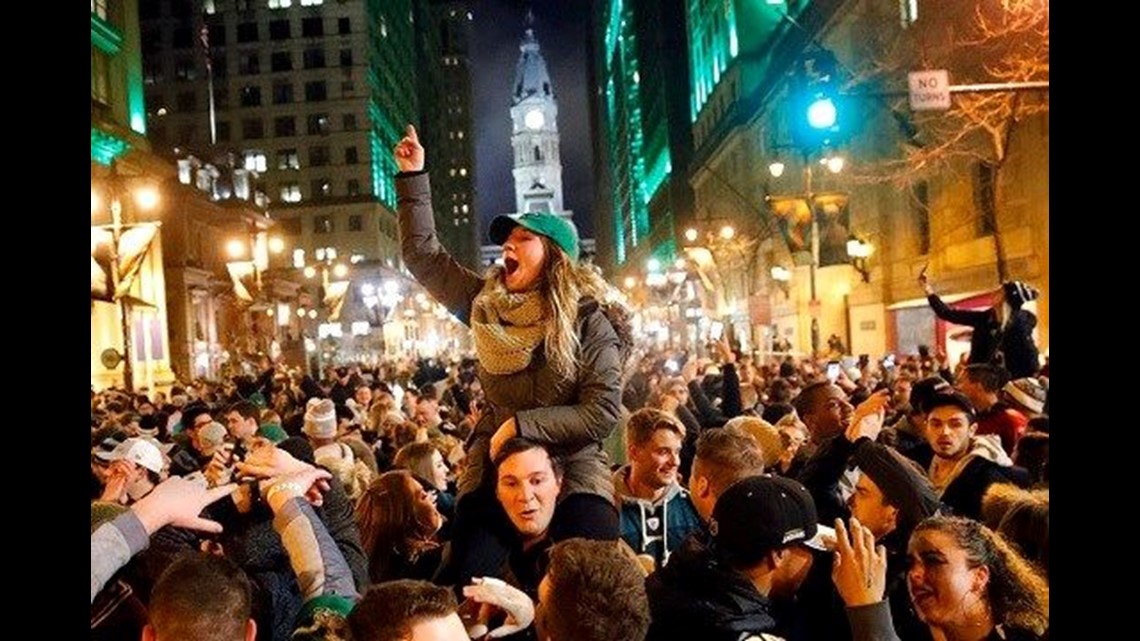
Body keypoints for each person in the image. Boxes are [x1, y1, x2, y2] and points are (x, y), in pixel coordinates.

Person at [395, 124, 628, 586]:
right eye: (508, 238)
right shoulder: (485, 304)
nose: (509, 246)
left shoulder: (588, 320)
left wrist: (522, 426)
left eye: (524, 239)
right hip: (497, 464)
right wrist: (412, 177)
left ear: (556, 255)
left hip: (573, 462)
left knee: (591, 574)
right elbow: (425, 257)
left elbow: (601, 412)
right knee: (467, 570)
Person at [832, 515, 1049, 641]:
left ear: (979, 577)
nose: (915, 574)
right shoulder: (908, 630)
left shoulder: (1021, 637)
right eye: (910, 564)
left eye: (933, 561)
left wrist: (868, 609)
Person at [612, 408, 702, 571]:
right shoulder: (606, 509)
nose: (675, 462)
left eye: (677, 452)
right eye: (663, 452)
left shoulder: (693, 507)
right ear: (634, 452)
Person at [919, 272, 1040, 378]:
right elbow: (947, 313)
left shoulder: (1018, 328)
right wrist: (928, 289)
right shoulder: (985, 318)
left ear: (1007, 299)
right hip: (978, 377)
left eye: (999, 291)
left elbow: (1031, 362)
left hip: (1002, 385)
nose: (993, 293)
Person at [353, 470, 445, 584]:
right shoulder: (426, 564)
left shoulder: (375, 564)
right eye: (423, 496)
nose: (432, 500)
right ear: (405, 516)